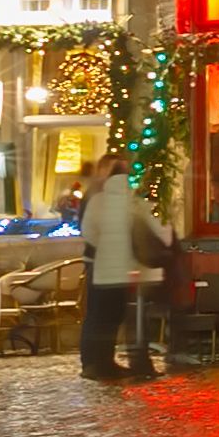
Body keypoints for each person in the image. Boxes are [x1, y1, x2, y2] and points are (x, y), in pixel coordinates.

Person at [78, 159, 163, 382]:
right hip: (128, 270)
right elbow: (155, 230)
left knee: (97, 315)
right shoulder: (135, 202)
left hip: (102, 267)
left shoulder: (97, 200)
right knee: (118, 316)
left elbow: (88, 231)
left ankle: (95, 363)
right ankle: (114, 363)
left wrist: (105, 249)